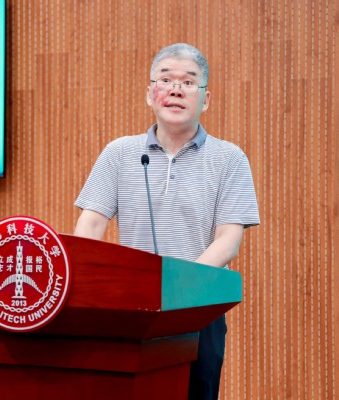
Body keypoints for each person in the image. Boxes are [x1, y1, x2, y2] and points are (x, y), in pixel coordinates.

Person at [73, 43, 260, 400]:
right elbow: (90, 226)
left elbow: (228, 240)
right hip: (132, 309)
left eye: (188, 82)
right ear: (150, 94)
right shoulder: (119, 153)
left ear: (205, 99)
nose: (176, 89)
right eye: (166, 80)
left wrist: (178, 288)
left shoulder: (229, 158)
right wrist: (93, 284)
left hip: (199, 310)